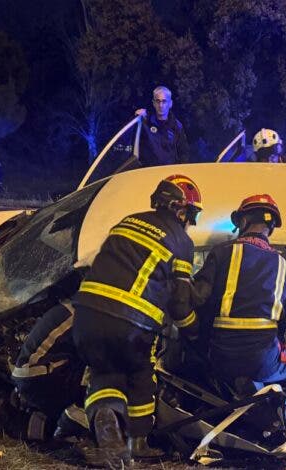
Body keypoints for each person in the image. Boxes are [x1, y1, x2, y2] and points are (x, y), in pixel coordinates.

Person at [190, 194, 286, 458]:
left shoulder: (222, 252)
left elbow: (199, 300)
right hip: (262, 360)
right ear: (270, 227)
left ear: (244, 220)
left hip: (219, 358)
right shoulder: (284, 265)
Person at [71, 174, 202, 467]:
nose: (189, 222)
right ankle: (138, 441)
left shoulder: (127, 222)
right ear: (180, 210)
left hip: (86, 316)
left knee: (103, 372)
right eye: (190, 215)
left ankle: (105, 416)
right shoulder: (181, 241)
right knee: (141, 373)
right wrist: (194, 331)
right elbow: (180, 303)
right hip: (130, 323)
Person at [0, 300, 89, 442]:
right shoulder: (89, 316)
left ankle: (13, 414)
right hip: (39, 377)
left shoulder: (76, 306)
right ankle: (9, 417)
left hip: (32, 375)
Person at [135, 86, 189, 166]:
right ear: (153, 103)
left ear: (170, 104)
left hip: (169, 173)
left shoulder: (177, 126)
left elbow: (184, 154)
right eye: (158, 101)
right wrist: (137, 116)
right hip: (148, 173)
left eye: (164, 101)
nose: (161, 105)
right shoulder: (145, 122)